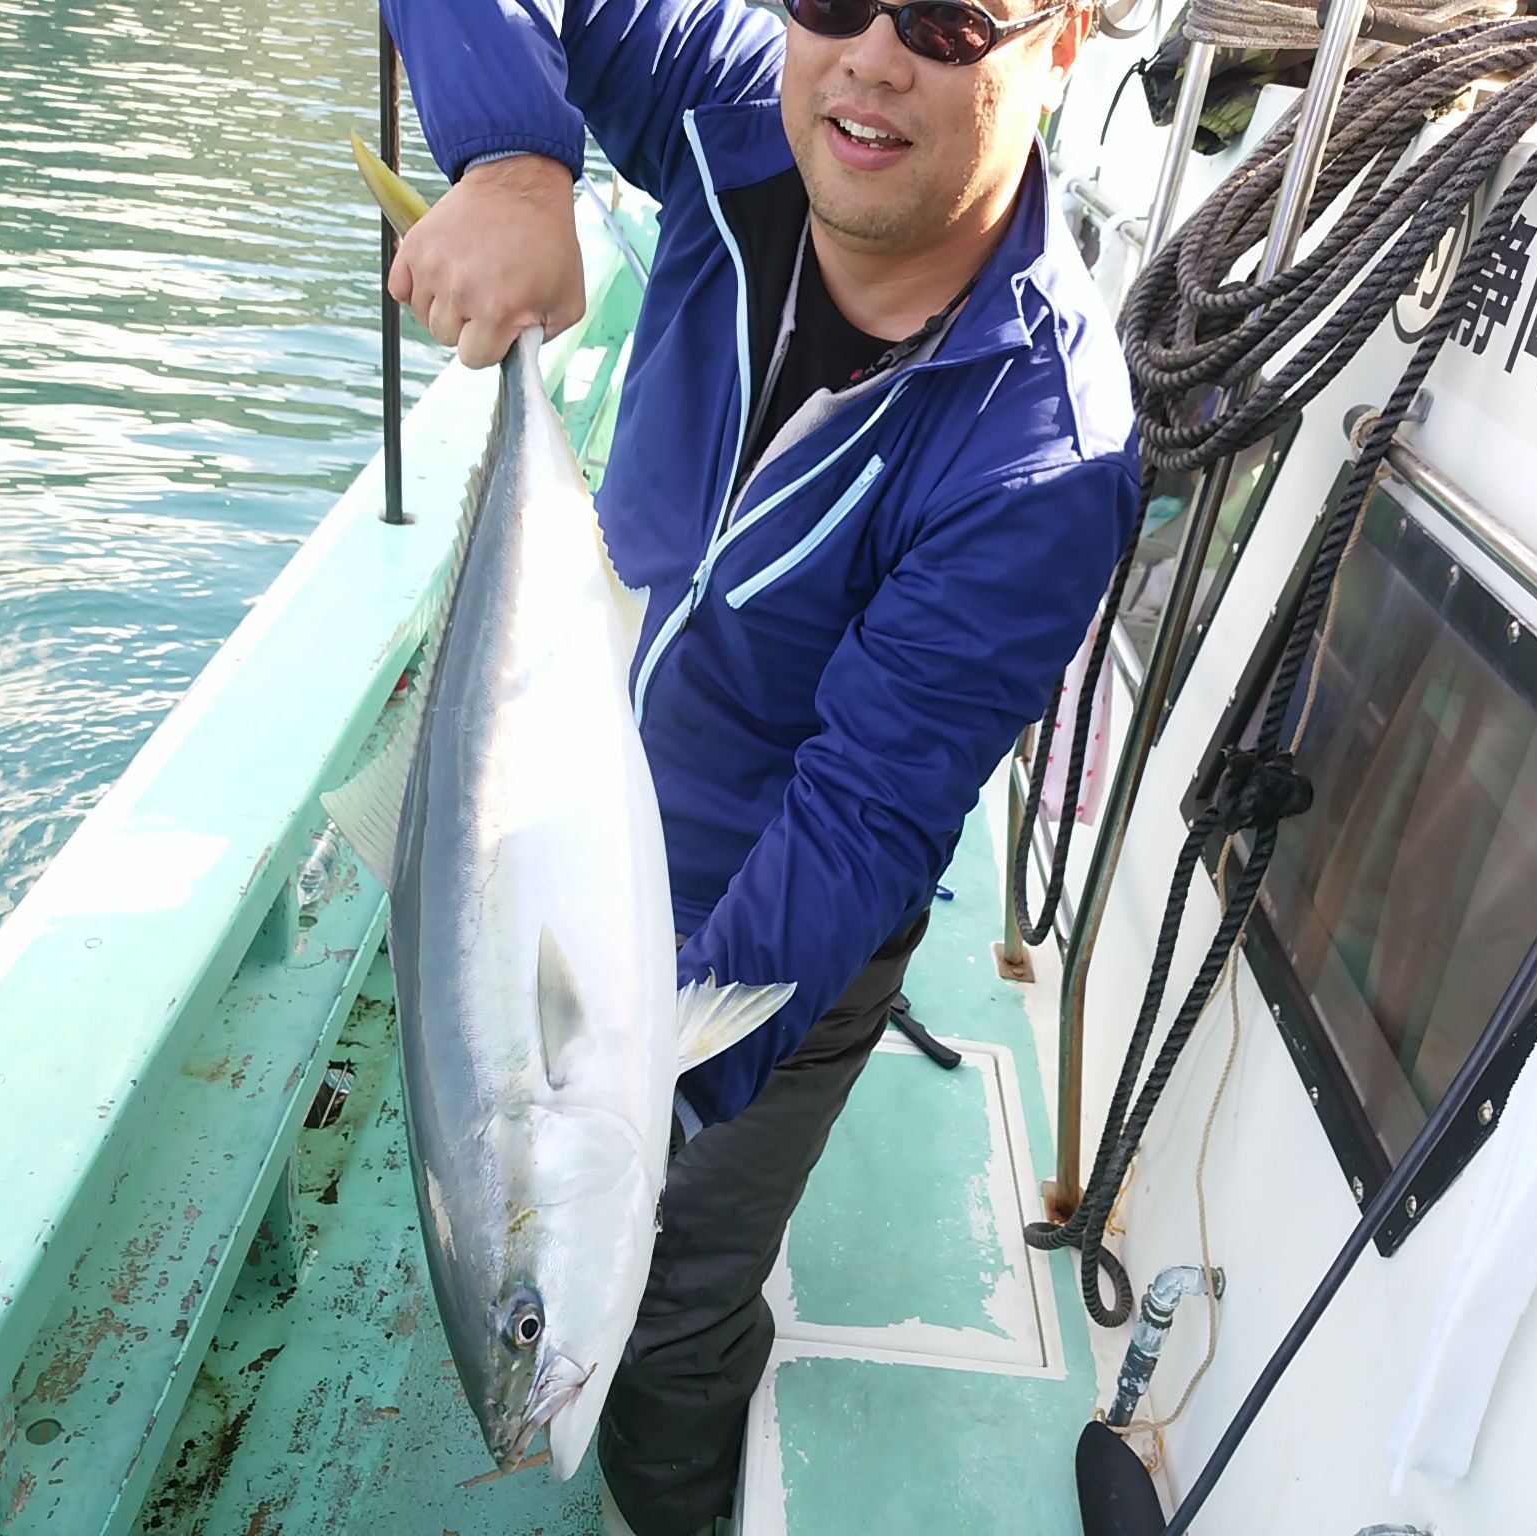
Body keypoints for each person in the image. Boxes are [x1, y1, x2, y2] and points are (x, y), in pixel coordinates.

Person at [379, 0, 1139, 1527]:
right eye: (833, 2)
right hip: (568, 792)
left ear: (1061, 45)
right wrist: (514, 165)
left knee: (675, 1305)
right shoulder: (734, 104)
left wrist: (666, 1087)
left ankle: (673, 1495)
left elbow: (860, 820)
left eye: (950, 21)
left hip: (775, 927)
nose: (873, 58)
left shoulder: (1044, 453)